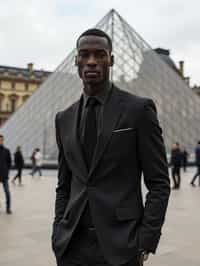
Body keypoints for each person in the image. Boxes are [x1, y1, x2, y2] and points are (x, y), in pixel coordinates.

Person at [51, 29, 170, 266]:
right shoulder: (63, 118)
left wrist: (145, 241)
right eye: (84, 55)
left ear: (111, 59)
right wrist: (58, 230)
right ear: (76, 61)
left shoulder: (139, 110)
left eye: (100, 54)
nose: (92, 61)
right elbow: (64, 185)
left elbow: (159, 183)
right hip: (71, 245)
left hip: (121, 246)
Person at [0, 134, 12, 214]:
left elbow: (9, 162)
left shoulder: (6, 151)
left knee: (7, 192)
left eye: (1, 140)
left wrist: (7, 171)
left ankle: (8, 208)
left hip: (4, 175)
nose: (0, 141)